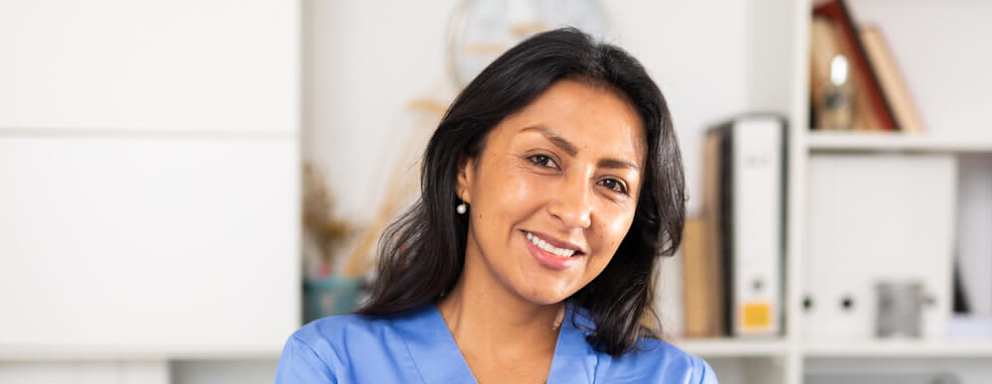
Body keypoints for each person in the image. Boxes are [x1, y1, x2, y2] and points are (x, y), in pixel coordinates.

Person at [276, 27, 717, 383]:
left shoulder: (676, 379)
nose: (575, 210)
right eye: (542, 159)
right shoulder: (332, 363)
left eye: (612, 183)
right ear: (466, 170)